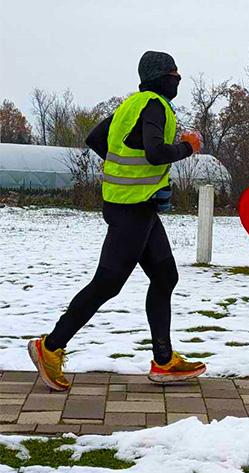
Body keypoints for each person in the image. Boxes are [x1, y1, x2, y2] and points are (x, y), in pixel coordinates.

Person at [28, 50, 207, 391]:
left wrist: (122, 168)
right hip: (132, 211)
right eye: (175, 73)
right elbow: (156, 153)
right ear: (161, 77)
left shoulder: (131, 106)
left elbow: (95, 138)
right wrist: (188, 146)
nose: (179, 78)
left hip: (137, 208)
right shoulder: (155, 104)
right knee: (107, 284)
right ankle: (49, 347)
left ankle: (164, 360)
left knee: (166, 276)